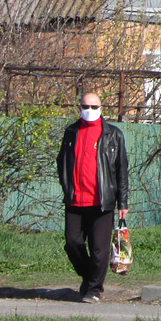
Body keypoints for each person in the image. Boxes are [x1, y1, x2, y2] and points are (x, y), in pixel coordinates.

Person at [57, 91, 128, 303]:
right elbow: (62, 162)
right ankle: (90, 277)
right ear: (79, 107)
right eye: (85, 106)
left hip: (102, 202)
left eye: (94, 107)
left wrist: (122, 202)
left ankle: (94, 290)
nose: (90, 111)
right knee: (72, 243)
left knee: (99, 249)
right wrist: (66, 187)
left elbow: (121, 170)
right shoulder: (71, 132)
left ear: (101, 109)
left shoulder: (113, 135)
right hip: (76, 200)